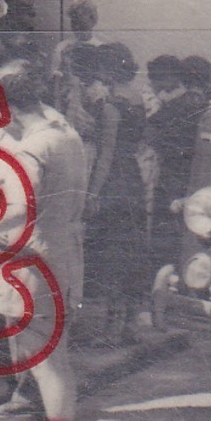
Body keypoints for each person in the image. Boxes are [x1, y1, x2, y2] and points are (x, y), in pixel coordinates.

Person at [0, 59, 89, 421]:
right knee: (53, 358)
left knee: (48, 363)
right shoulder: (65, 134)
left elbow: (18, 208)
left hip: (32, 260)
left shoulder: (33, 148)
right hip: (62, 249)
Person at [83, 43, 151, 343]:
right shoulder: (136, 100)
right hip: (132, 178)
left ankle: (111, 328)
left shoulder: (111, 107)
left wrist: (93, 193)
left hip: (113, 183)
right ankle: (129, 324)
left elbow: (106, 154)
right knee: (130, 253)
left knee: (110, 255)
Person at [143, 55, 200, 268]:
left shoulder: (175, 106)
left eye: (159, 78)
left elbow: (150, 134)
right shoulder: (198, 102)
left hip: (171, 171)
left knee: (166, 224)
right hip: (189, 170)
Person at [50, 0, 102, 77]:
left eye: (82, 23)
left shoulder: (101, 48)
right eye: (74, 23)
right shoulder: (62, 48)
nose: (77, 27)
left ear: (93, 21)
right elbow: (53, 76)